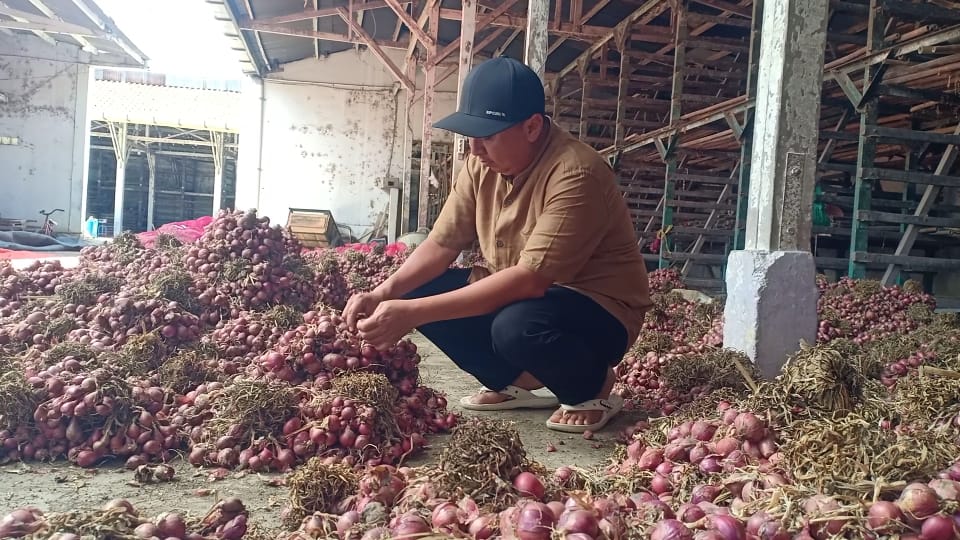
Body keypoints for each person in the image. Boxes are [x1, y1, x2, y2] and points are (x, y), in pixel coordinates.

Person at [343, 56, 652, 433]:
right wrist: (384, 293)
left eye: (488, 136)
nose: (475, 150)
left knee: (514, 326)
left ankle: (590, 386)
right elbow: (442, 244)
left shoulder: (576, 172)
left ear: (532, 127)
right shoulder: (479, 166)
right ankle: (516, 384)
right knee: (416, 291)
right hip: (525, 294)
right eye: (471, 137)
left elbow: (530, 281)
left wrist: (413, 314)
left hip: (594, 308)